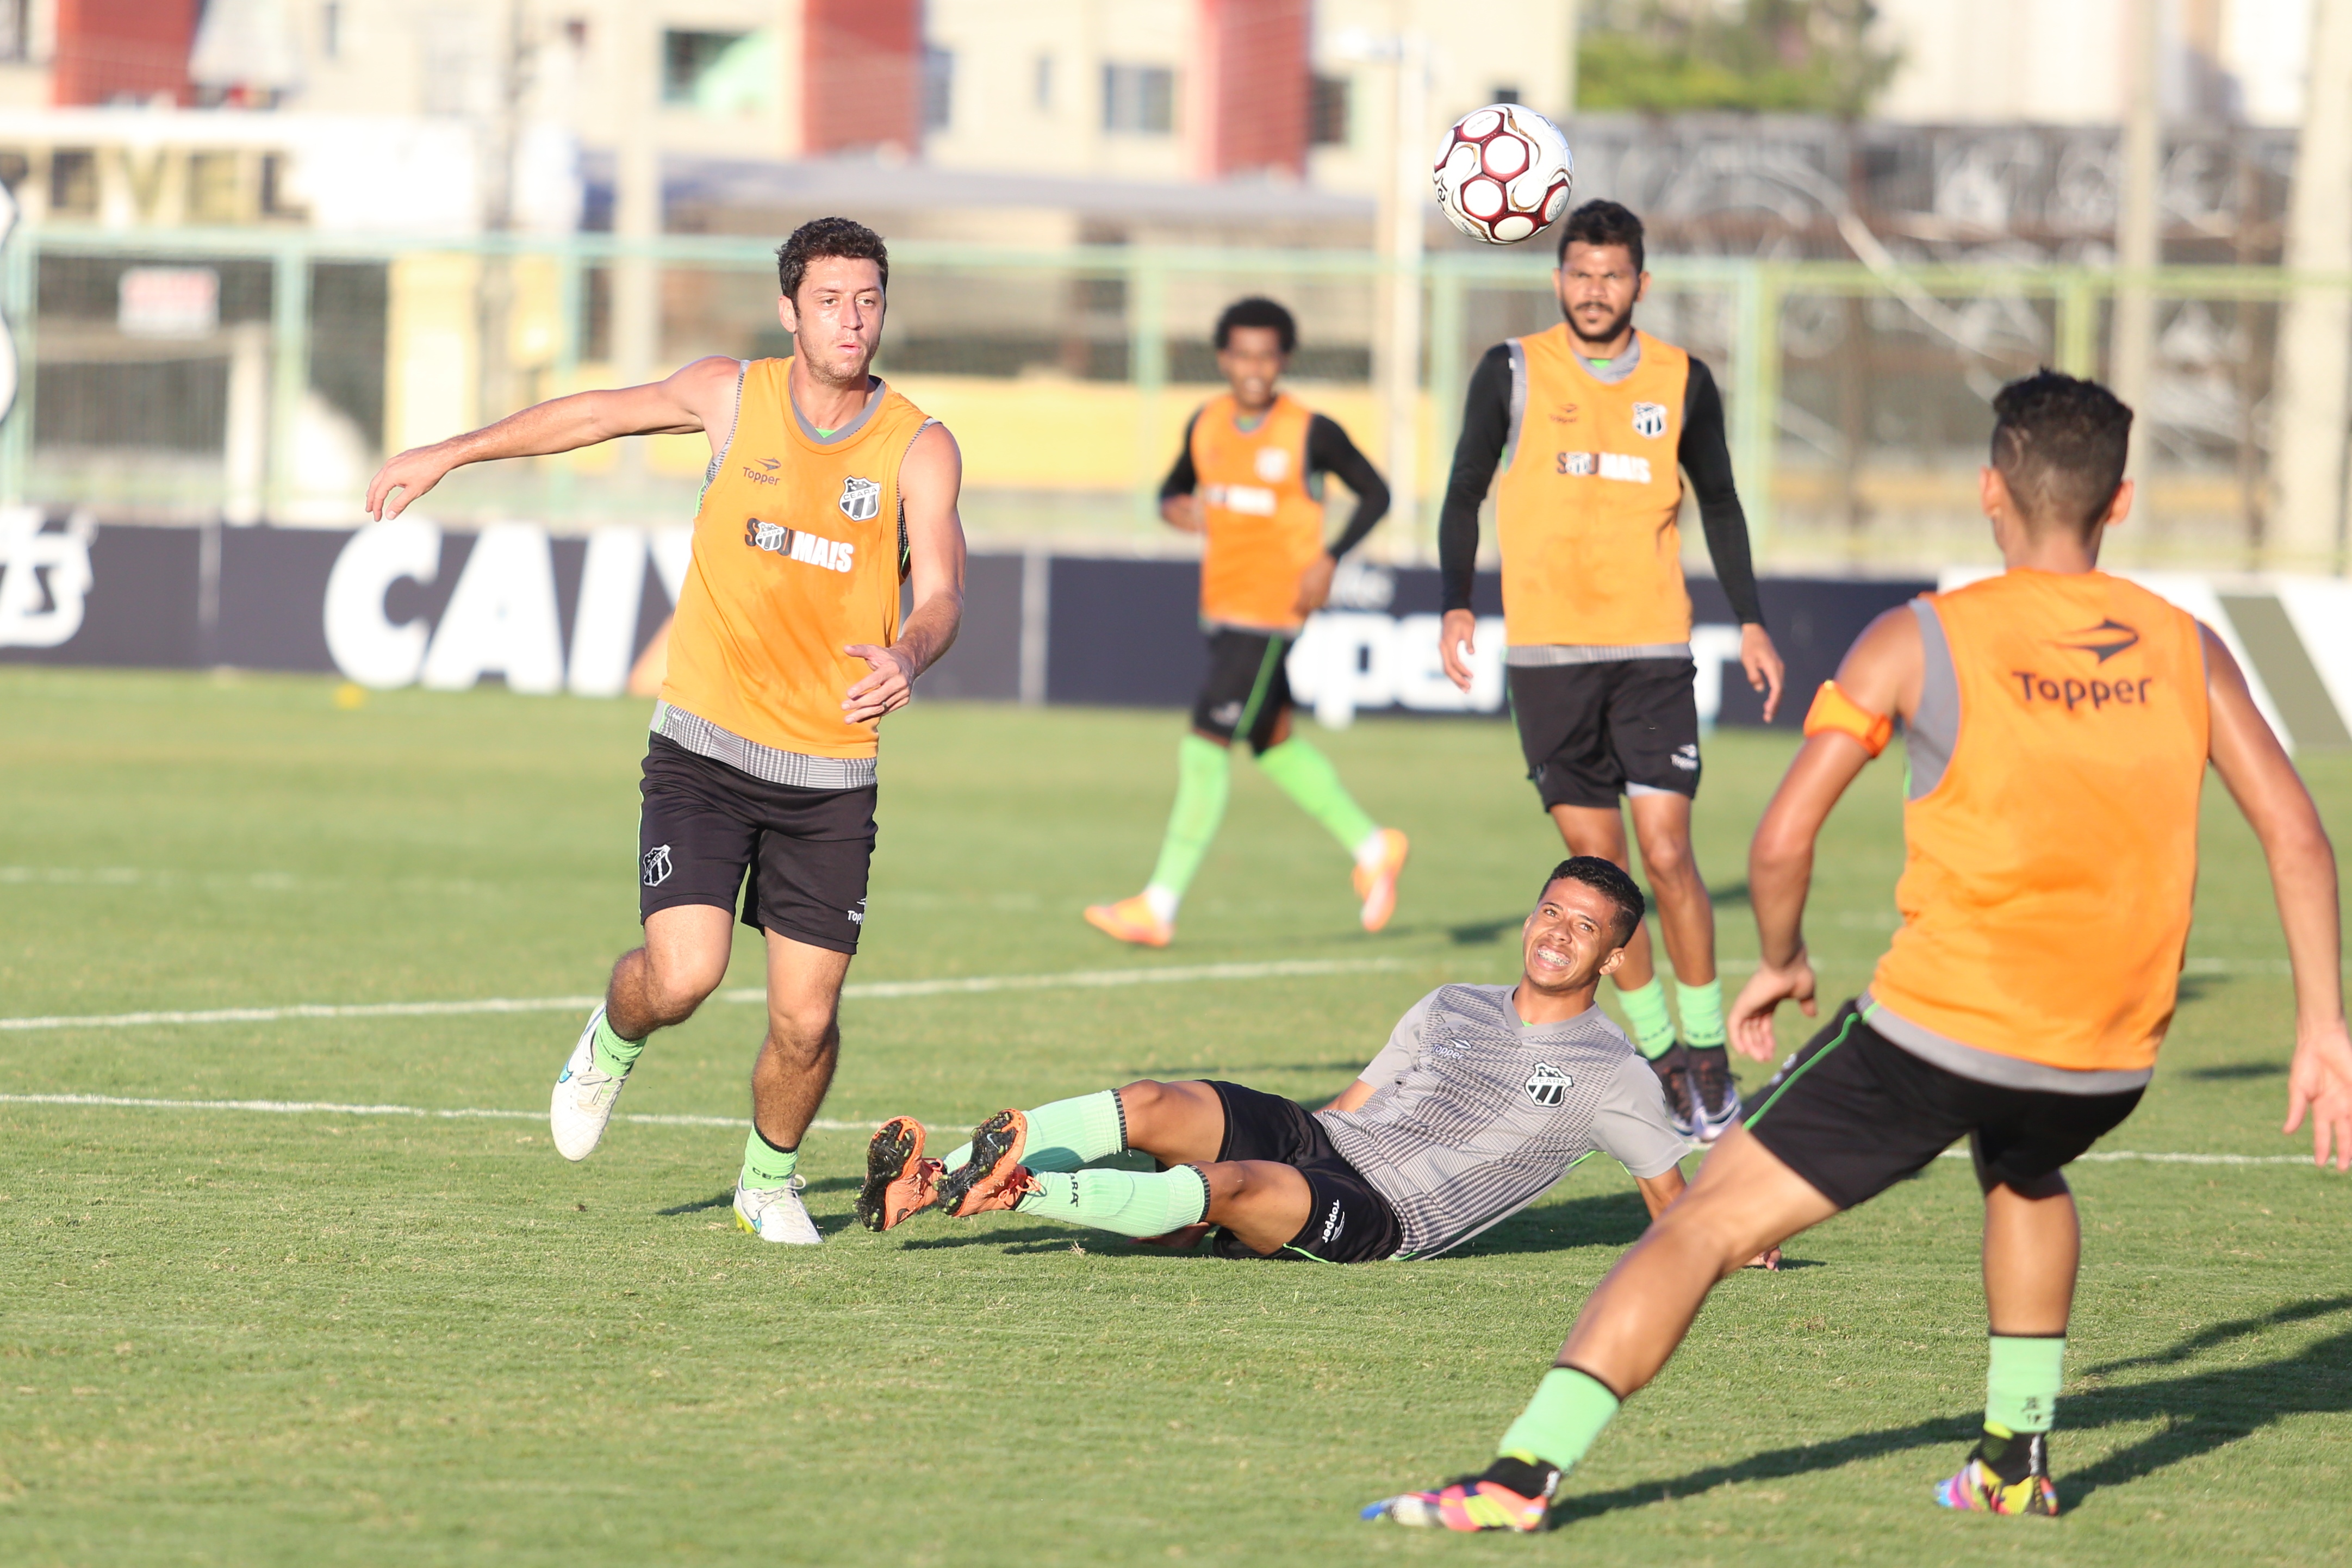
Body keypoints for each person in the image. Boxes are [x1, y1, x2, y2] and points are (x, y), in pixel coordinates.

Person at [1366, 371, 2352, 1532]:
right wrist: (2322, 1025)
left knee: (1700, 1224)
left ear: (1991, 489)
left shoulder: (1924, 635)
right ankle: (2013, 1458)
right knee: (2027, 1165)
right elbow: (2297, 831)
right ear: (2120, 500)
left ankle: (1519, 1476)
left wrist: (1779, 956)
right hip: (2109, 1049)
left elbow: (1784, 836)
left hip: (1940, 1027)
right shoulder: (2189, 648)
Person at [363, 217, 967, 1247]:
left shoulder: (919, 443)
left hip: (831, 773)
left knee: (805, 1020)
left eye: (867, 298)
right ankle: (610, 1039)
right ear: (789, 310)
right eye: (829, 299)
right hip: (704, 747)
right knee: (682, 973)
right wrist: (452, 452)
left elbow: (946, 585)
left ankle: (765, 1182)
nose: (851, 319)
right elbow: (594, 414)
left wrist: (908, 653)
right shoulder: (732, 392)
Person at [863, 857, 1751, 1265]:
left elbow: (1670, 1203)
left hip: (1386, 1212)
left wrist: (1739, 1239)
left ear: (1611, 959)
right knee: (1155, 1097)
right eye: (1550, 911)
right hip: (1326, 1140)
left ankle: (1010, 1189)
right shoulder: (1450, 1003)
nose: (1557, 932)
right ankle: (937, 1179)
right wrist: (1295, 1140)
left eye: (1583, 926)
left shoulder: (1614, 1068)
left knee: (1231, 1182)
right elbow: (1352, 1101)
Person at [1434, 200, 1785, 1144]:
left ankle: (1707, 1053)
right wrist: (1457, 599)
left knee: (1669, 851)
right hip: (1548, 658)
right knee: (1605, 879)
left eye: (1613, 275)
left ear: (1641, 282)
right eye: (1580, 274)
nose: (1596, 291)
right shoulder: (1512, 369)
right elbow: (1466, 487)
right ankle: (1665, 1055)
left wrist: (1752, 620)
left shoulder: (1681, 379)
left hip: (1651, 651)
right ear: (1559, 279)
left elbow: (1720, 501)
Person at [1085, 297, 1407, 949]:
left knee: (1204, 746)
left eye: (1267, 355)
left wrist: (1331, 560)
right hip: (1224, 607)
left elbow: (1378, 492)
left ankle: (1160, 903)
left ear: (1283, 360)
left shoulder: (1311, 431)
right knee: (1273, 742)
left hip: (1272, 612)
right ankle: (1374, 845)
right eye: (1242, 355)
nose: (1254, 368)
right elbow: (1171, 490)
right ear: (1224, 358)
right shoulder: (1206, 423)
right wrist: (1175, 508)